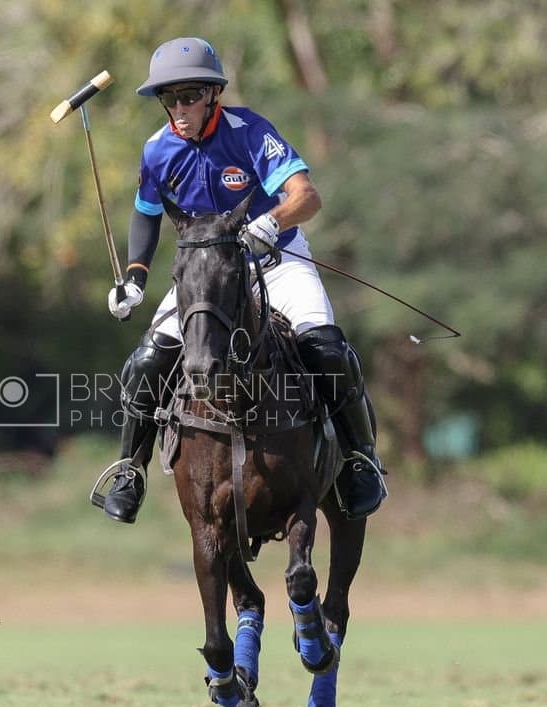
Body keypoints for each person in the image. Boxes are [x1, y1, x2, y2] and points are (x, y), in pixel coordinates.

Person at [93, 36, 386, 524]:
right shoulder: (157, 150)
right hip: (204, 277)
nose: (179, 109)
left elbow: (306, 196)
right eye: (169, 98)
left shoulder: (249, 131)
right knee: (146, 362)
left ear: (212, 94)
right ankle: (131, 470)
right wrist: (135, 279)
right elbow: (145, 215)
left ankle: (360, 461)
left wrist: (272, 222)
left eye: (189, 96)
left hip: (276, 261)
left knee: (327, 348)